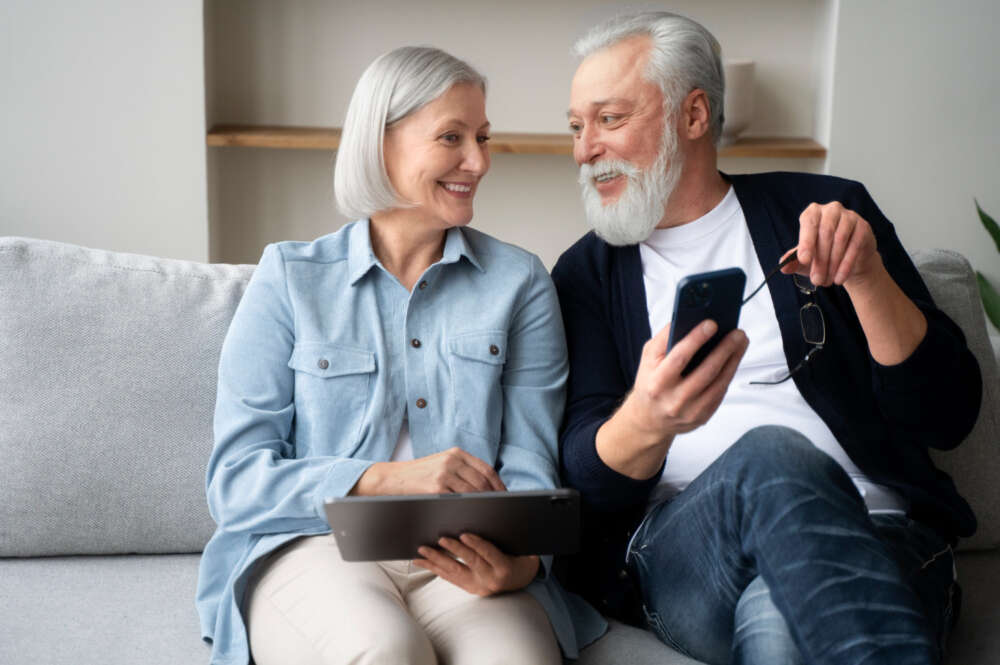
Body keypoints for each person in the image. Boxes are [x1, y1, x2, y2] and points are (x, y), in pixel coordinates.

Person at [552, 11, 982, 665]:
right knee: (771, 459)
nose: (584, 150)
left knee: (780, 621)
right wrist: (646, 419)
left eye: (608, 120)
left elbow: (948, 415)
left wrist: (866, 279)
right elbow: (584, 485)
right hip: (691, 552)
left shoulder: (831, 212)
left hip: (880, 530)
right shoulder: (586, 274)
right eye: (577, 127)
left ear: (693, 116)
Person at [196, 46, 604, 665]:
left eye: (483, 137)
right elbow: (236, 481)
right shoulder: (289, 278)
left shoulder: (519, 283)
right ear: (380, 143)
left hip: (469, 559)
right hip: (317, 547)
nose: (478, 161)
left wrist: (521, 562)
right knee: (384, 651)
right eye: (451, 137)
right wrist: (381, 479)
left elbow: (529, 462)